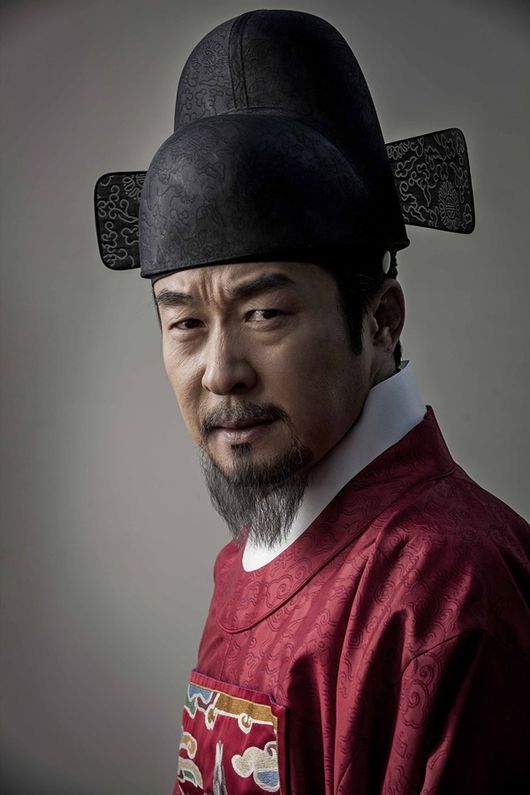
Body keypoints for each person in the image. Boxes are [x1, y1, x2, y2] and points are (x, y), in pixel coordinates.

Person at [94, 9, 530, 794]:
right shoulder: (246, 559)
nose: (221, 373)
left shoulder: (450, 590)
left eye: (265, 312)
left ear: (380, 318)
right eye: (186, 321)